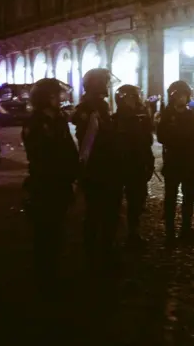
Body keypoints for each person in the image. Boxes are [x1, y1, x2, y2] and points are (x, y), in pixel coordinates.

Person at [22, 78, 78, 293]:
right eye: (56, 95)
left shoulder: (58, 119)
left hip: (60, 183)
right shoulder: (36, 122)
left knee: (57, 231)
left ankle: (53, 271)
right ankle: (44, 278)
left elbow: (68, 148)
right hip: (45, 184)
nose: (61, 98)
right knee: (45, 232)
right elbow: (43, 155)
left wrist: (74, 170)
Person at [72, 68, 120, 265]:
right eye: (105, 83)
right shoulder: (91, 108)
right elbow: (90, 141)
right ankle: (95, 252)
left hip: (105, 167)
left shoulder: (98, 106)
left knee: (106, 211)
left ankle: (102, 248)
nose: (108, 87)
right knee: (98, 212)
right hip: (97, 168)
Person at [157, 80, 194, 243]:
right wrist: (180, 136)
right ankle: (170, 231)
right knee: (171, 197)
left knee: (189, 196)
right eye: (178, 95)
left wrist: (191, 132)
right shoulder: (166, 115)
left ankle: (186, 228)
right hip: (173, 160)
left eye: (184, 95)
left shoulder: (192, 115)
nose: (181, 99)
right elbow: (161, 136)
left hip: (188, 161)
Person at [112, 84, 154, 246]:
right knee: (115, 202)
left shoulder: (142, 119)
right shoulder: (114, 120)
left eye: (135, 98)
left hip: (137, 165)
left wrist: (148, 162)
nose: (134, 101)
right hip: (120, 164)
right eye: (130, 98)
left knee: (137, 201)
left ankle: (133, 233)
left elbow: (146, 143)